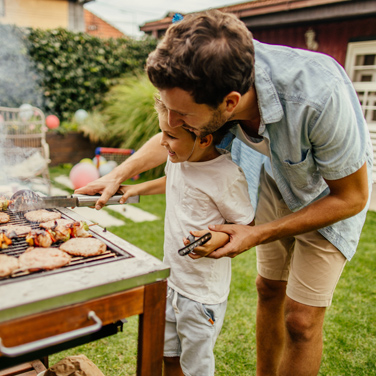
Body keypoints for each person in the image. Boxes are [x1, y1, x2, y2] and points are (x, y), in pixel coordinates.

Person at [75, 10, 373, 376]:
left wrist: (258, 232)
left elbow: (353, 197)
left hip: (330, 193)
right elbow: (175, 136)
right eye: (166, 108)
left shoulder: (317, 94)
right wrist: (118, 174)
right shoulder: (210, 78)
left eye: (181, 115)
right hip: (274, 179)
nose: (169, 122)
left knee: (301, 321)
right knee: (267, 289)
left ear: (229, 104)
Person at [117, 98, 254, 376]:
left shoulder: (226, 176)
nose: (163, 142)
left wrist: (216, 240)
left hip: (201, 295)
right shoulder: (179, 159)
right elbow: (172, 182)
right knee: (169, 355)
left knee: (195, 368)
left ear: (203, 140)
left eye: (170, 136)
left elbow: (245, 225)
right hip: (171, 281)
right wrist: (137, 188)